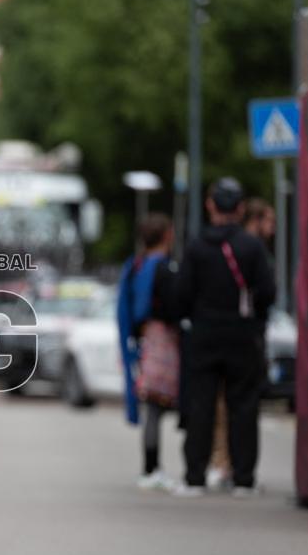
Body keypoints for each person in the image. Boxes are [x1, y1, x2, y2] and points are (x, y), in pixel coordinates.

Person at [175, 178, 276, 497]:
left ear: (210, 205)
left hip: (204, 333)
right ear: (241, 208)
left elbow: (181, 294)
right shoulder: (252, 246)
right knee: (243, 405)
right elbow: (269, 292)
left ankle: (195, 476)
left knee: (201, 404)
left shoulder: (196, 246)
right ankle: (243, 478)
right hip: (242, 334)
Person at [116, 213, 180, 491]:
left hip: (143, 342)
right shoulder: (164, 268)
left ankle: (150, 467)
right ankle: (152, 468)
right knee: (156, 405)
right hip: (164, 341)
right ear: (166, 235)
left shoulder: (135, 266)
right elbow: (175, 306)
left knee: (151, 405)